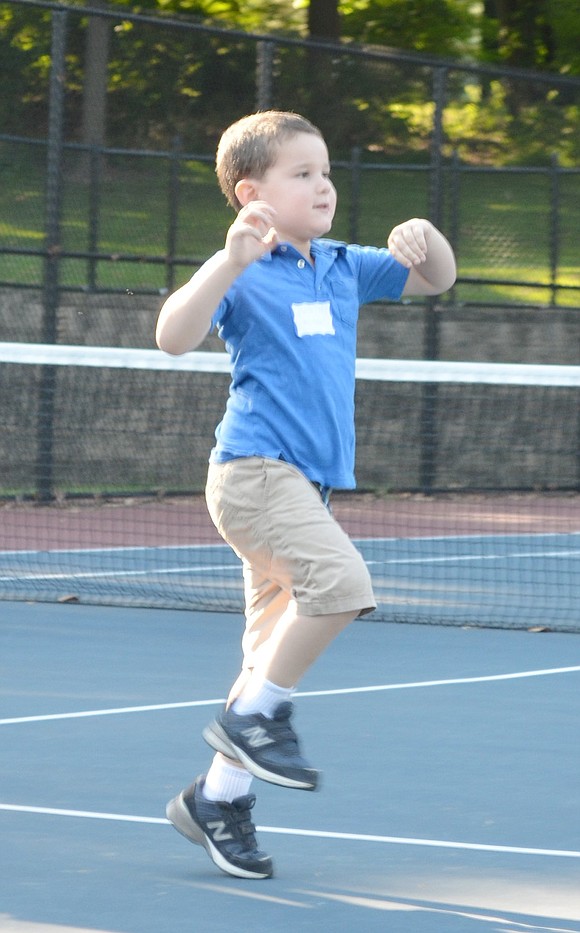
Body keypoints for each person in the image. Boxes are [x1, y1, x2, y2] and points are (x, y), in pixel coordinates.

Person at [156, 110, 456, 880]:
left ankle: (217, 797)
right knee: (344, 584)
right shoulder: (242, 270)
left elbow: (436, 279)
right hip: (255, 474)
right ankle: (254, 721)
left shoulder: (343, 265)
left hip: (306, 488)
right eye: (303, 174)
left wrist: (428, 235)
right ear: (253, 192)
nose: (323, 185)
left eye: (326, 172)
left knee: (264, 653)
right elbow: (173, 335)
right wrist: (226, 262)